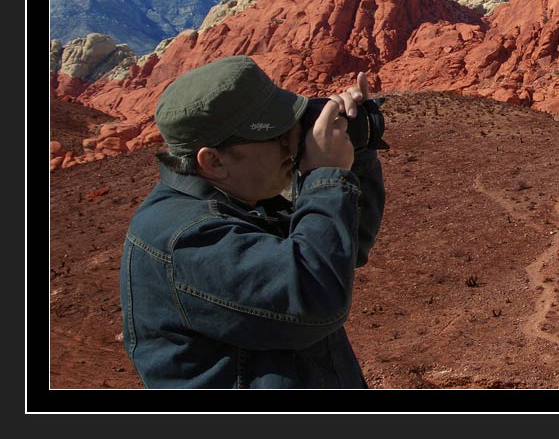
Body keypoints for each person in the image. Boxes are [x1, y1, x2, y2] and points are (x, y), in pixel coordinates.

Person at [119, 55, 385, 388]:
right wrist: (325, 176)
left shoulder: (240, 200)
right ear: (213, 161)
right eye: (278, 136)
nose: (293, 142)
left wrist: (354, 150)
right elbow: (315, 297)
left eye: (293, 125)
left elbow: (346, 245)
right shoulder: (185, 239)